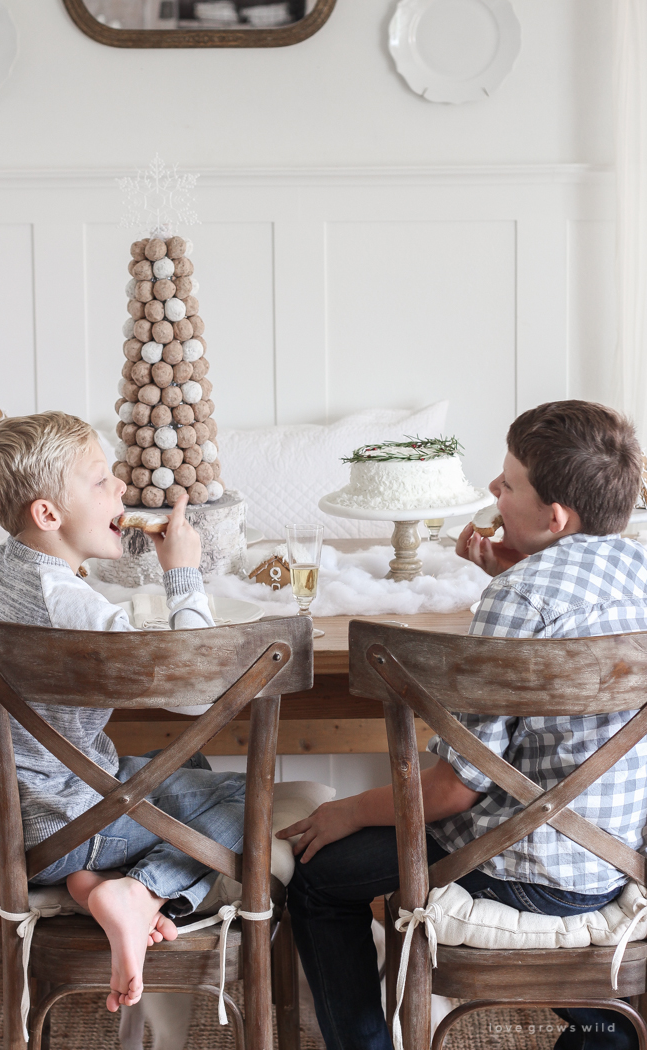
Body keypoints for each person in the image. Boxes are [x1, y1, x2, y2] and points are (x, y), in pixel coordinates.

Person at [277, 400, 647, 1050]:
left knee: (316, 881)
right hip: (614, 859)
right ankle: (604, 1028)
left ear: (554, 517)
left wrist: (349, 812)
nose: (493, 491)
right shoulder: (636, 572)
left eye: (508, 484)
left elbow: (454, 791)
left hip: (523, 868)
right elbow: (569, 613)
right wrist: (514, 570)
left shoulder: (515, 602)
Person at [0, 411, 246, 1013]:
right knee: (247, 796)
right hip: (61, 824)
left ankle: (88, 887)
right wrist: (182, 573)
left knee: (195, 764)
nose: (120, 489)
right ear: (48, 515)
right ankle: (141, 892)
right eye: (100, 479)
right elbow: (194, 692)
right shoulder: (67, 603)